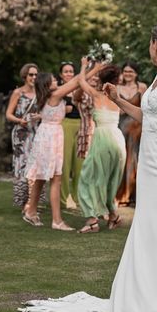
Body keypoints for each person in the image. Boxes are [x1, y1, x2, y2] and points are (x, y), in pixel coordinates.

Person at [20, 21, 157, 312]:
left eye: (150, 45)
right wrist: (119, 100)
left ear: (155, 44)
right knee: (147, 228)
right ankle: (145, 300)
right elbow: (147, 116)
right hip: (150, 163)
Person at [24, 62, 105, 231]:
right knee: (56, 178)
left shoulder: (49, 96)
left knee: (40, 177)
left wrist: (93, 69)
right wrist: (89, 68)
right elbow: (76, 82)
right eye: (53, 80)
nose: (56, 82)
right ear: (47, 84)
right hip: (50, 137)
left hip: (47, 135)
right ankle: (57, 221)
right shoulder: (55, 95)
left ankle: (30, 212)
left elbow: (75, 81)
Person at [75, 59, 126, 234]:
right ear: (117, 80)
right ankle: (113, 216)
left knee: (87, 178)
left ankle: (91, 221)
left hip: (103, 138)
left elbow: (80, 81)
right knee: (111, 179)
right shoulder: (117, 97)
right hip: (118, 139)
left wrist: (84, 66)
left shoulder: (97, 96)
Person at [5, 63, 42, 209]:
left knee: (36, 165)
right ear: (24, 76)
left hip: (37, 133)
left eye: (35, 75)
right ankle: (23, 201)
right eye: (31, 75)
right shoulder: (18, 93)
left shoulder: (40, 93)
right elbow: (8, 114)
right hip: (20, 134)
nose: (34, 77)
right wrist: (20, 120)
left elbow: (45, 113)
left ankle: (33, 201)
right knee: (22, 166)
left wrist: (38, 116)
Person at [114, 61, 147, 207]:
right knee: (121, 159)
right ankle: (120, 195)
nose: (128, 74)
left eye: (131, 71)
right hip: (120, 127)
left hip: (136, 130)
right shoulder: (117, 87)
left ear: (136, 73)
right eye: (126, 71)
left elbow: (146, 108)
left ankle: (134, 195)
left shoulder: (142, 87)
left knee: (135, 160)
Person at [59, 61, 83, 209]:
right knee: (65, 164)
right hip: (65, 125)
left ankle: (77, 198)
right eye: (66, 71)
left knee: (80, 163)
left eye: (71, 71)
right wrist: (63, 110)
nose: (68, 74)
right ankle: (63, 199)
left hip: (81, 125)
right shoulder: (59, 90)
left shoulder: (81, 89)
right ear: (61, 75)